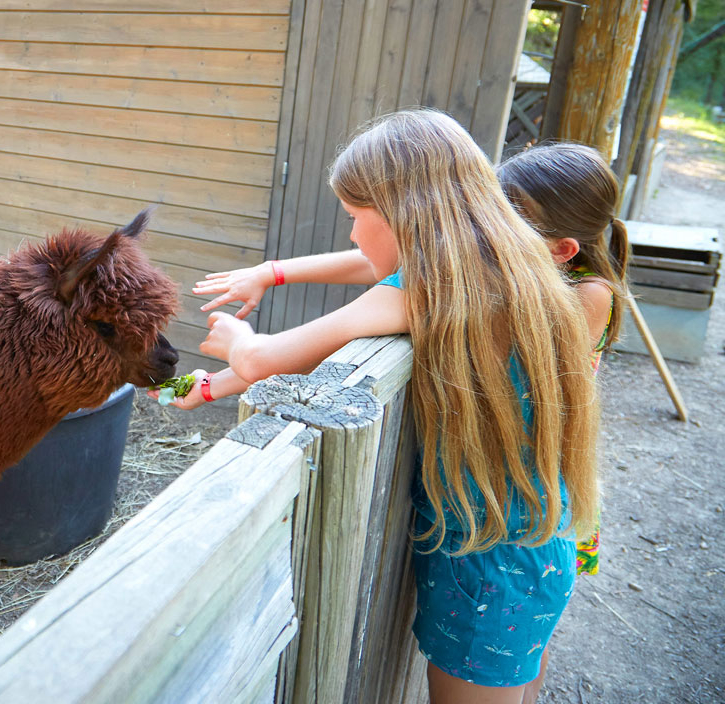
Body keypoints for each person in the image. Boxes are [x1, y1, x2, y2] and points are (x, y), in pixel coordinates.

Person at [152, 109, 600, 703]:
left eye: (355, 217)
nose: (354, 236)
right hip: (534, 542)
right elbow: (363, 279)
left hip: (483, 565)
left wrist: (238, 343)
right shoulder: (513, 269)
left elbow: (266, 359)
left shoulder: (422, 291)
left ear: (406, 216)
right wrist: (208, 383)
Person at [498, 142, 630, 577]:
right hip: (522, 458)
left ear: (562, 249)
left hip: (549, 464)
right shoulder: (539, 272)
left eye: (508, 222)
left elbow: (528, 351)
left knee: (537, 600)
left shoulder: (592, 293)